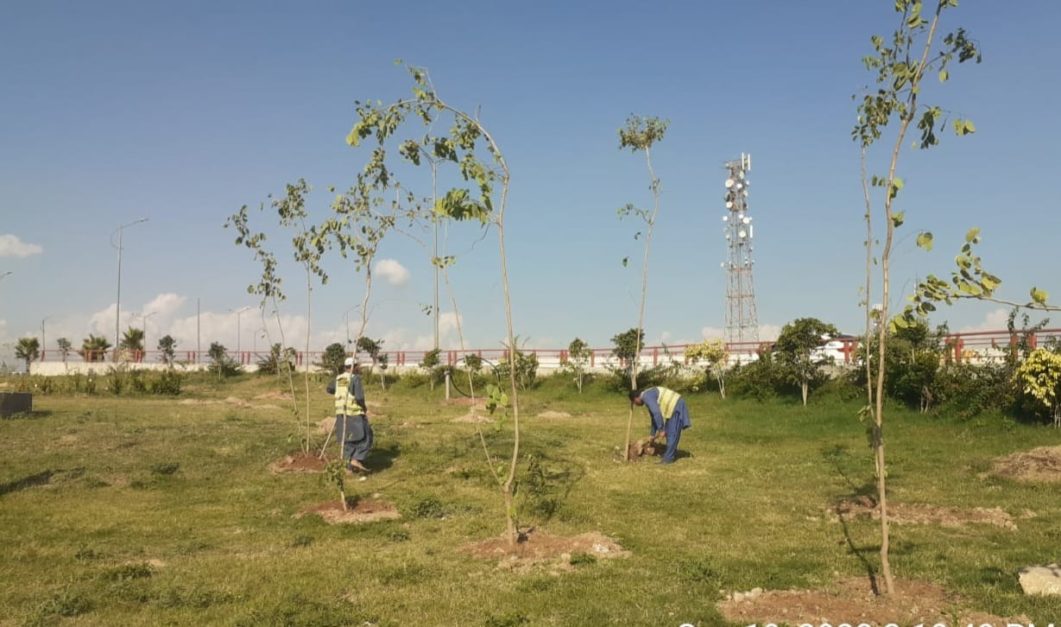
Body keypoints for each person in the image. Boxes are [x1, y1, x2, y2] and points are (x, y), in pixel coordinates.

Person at [326, 357, 373, 473]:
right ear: (354, 367)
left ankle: (348, 466)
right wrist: (364, 407)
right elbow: (359, 397)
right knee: (366, 436)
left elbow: (329, 389)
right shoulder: (355, 379)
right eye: (358, 366)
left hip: (341, 414)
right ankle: (356, 459)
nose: (359, 368)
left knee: (347, 438)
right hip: (354, 413)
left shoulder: (339, 378)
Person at [629, 386, 692, 464]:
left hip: (676, 406)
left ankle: (668, 459)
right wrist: (652, 434)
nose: (636, 404)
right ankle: (669, 454)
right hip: (672, 408)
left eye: (635, 403)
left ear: (636, 398)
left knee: (672, 433)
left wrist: (661, 430)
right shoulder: (647, 395)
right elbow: (653, 417)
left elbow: (657, 413)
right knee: (669, 432)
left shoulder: (646, 396)